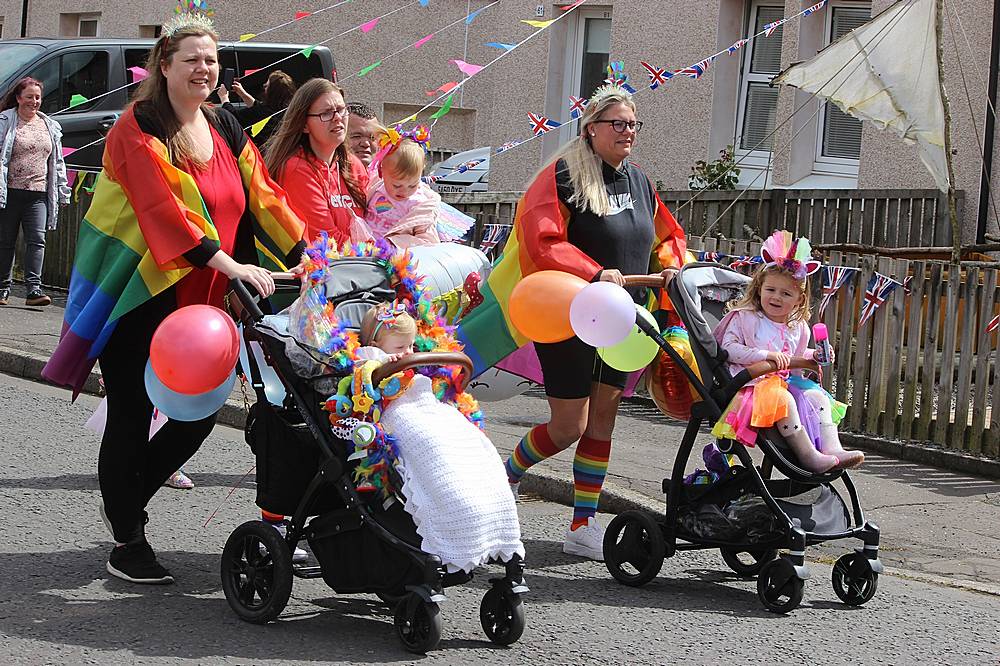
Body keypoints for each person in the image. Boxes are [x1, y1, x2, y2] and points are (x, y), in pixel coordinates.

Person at [41, 14, 305, 585]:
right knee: (134, 415)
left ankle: (127, 498)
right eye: (191, 58)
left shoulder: (226, 127)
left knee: (198, 417)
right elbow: (165, 209)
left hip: (202, 299)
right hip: (139, 291)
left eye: (211, 59)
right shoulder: (139, 125)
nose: (204, 69)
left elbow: (265, 197)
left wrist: (310, 250)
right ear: (164, 66)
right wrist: (232, 263)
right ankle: (128, 539)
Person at [460, 83, 687, 561]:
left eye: (632, 124)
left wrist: (673, 262)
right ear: (591, 130)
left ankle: (582, 524)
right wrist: (594, 271)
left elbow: (668, 234)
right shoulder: (561, 176)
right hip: (570, 312)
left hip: (627, 317)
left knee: (603, 421)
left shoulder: (640, 182)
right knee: (568, 425)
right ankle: (506, 476)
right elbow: (541, 241)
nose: (627, 132)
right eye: (618, 124)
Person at [355, 303, 523, 573]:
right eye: (400, 349)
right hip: (396, 411)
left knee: (469, 440)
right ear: (376, 343)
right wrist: (383, 362)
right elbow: (364, 372)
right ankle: (452, 523)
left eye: (410, 347)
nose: (408, 353)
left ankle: (490, 519)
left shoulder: (405, 354)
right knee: (432, 447)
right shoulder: (369, 355)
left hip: (427, 404)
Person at [711, 231, 864, 473]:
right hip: (749, 385)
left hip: (783, 383)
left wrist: (815, 355)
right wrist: (765, 356)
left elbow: (796, 358)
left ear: (798, 300)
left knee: (818, 398)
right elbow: (728, 350)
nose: (776, 297)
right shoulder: (746, 318)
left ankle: (833, 448)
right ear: (759, 288)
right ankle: (808, 455)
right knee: (785, 400)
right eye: (771, 290)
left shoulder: (798, 327)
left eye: (786, 294)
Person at [265, 79, 371, 246]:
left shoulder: (353, 164)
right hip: (325, 267)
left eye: (341, 110)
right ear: (305, 125)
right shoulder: (296, 170)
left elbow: (377, 216)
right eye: (326, 113)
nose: (337, 118)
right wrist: (379, 251)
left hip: (362, 265)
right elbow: (326, 240)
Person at [0, 76, 71, 307]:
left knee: (37, 239)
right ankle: (3, 288)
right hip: (10, 191)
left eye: (38, 97)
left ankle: (34, 290)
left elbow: (58, 162)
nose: (34, 101)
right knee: (5, 241)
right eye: (29, 97)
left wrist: (63, 190)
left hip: (38, 193)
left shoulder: (49, 125)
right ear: (19, 98)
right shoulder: (5, 121)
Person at [366, 131, 466, 248]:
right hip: (363, 248)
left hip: (395, 255)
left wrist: (393, 245)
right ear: (382, 171)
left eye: (413, 185)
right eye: (397, 186)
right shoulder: (374, 186)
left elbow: (427, 241)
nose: (405, 192)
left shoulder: (420, 204)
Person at [217, 69, 295, 147]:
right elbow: (258, 108)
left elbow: (233, 117)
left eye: (267, 86)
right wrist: (242, 93)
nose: (264, 86)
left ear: (272, 93)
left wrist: (224, 98)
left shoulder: (264, 112)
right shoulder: (286, 109)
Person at [346, 102, 380, 167]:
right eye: (357, 136)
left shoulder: (387, 175)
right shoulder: (325, 174)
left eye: (372, 137)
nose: (366, 144)